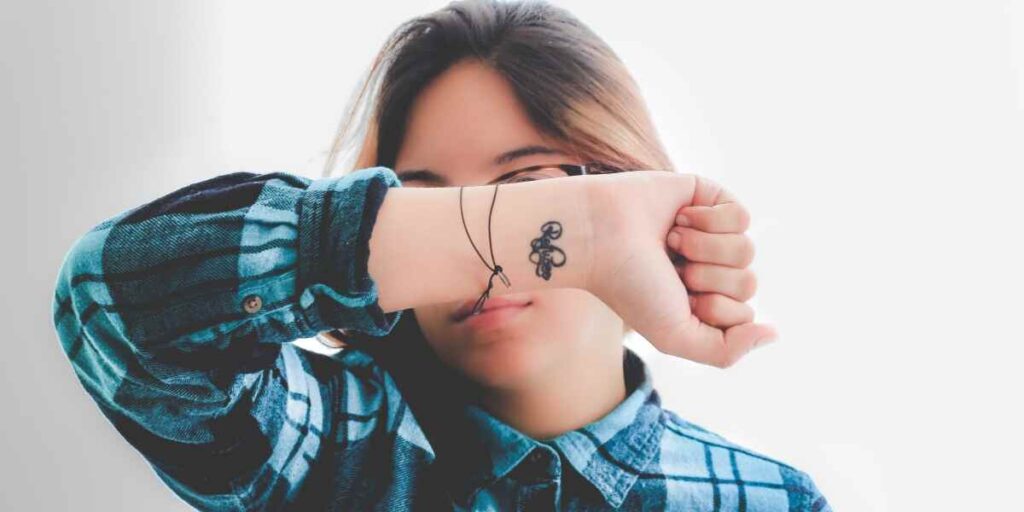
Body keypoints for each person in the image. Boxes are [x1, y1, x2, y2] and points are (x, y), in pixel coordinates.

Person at [51, 0, 831, 510]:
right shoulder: (328, 446)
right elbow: (109, 301)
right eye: (435, 213)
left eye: (528, 187)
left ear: (635, 185)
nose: (487, 261)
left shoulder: (769, 499)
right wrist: (569, 232)